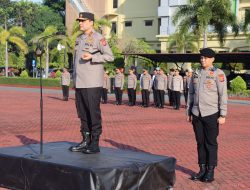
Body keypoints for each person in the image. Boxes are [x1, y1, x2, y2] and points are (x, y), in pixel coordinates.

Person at [69, 12, 114, 154]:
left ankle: (94, 143)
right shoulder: (79, 38)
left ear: (91, 22)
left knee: (93, 113)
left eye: (83, 21)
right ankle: (85, 140)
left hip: (92, 82)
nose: (80, 23)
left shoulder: (99, 38)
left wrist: (93, 57)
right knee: (82, 113)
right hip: (80, 81)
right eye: (79, 21)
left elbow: (110, 56)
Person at [186, 48, 227, 182]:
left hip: (211, 113)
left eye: (206, 58)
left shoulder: (218, 74)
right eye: (201, 58)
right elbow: (191, 94)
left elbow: (223, 95)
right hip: (197, 113)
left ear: (212, 59)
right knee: (200, 142)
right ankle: (202, 169)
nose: (203, 60)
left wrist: (223, 114)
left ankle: (210, 171)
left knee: (211, 143)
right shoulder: (196, 73)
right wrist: (189, 111)